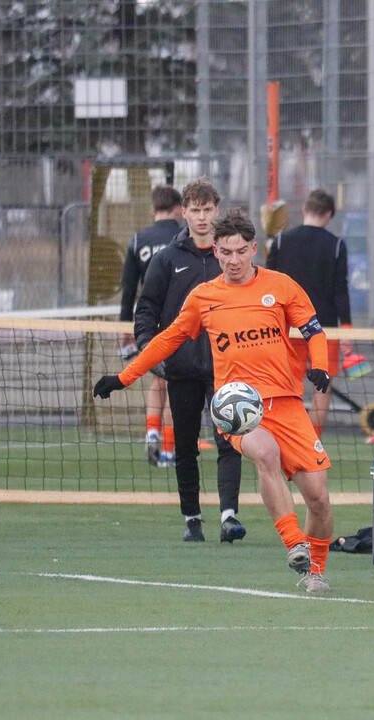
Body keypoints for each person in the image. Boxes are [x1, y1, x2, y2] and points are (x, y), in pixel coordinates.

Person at [95, 210, 336, 593]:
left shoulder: (282, 286)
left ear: (254, 249)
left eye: (241, 251)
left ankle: (315, 572)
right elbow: (167, 339)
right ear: (217, 251)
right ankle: (294, 544)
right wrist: (124, 377)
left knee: (319, 500)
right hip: (239, 407)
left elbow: (315, 331)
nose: (234, 260)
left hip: (288, 404)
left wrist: (320, 367)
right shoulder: (204, 297)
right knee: (266, 455)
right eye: (225, 252)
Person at [133, 179, 244, 544]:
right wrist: (150, 350)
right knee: (184, 446)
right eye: (194, 210)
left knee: (230, 440)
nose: (201, 217)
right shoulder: (167, 259)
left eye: (207, 209)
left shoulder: (231, 258)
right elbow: (147, 309)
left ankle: (229, 516)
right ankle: (192, 519)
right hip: (181, 369)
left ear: (218, 210)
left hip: (226, 369)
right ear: (183, 212)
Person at [265, 188, 353, 436]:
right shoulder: (336, 245)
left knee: (288, 387)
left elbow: (268, 284)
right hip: (324, 330)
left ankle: (288, 436)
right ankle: (311, 441)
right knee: (321, 388)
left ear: (304, 210)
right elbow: (340, 290)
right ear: (328, 215)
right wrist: (347, 330)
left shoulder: (281, 241)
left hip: (287, 328)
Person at [119, 184, 182, 467]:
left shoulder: (138, 240)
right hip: (179, 318)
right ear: (180, 209)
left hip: (149, 318)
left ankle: (152, 433)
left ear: (152, 210)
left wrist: (123, 327)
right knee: (175, 384)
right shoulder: (184, 237)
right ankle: (168, 451)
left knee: (158, 381)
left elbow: (128, 289)